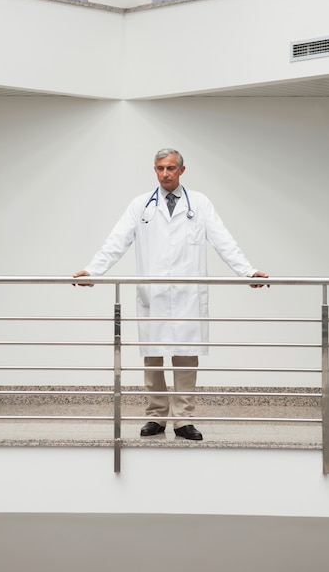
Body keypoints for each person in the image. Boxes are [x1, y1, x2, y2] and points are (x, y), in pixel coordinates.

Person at [73, 148, 268, 441]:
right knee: (153, 358)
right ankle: (156, 417)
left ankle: (183, 420)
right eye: (160, 168)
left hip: (188, 295)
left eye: (171, 168)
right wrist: (93, 271)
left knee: (186, 358)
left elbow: (223, 240)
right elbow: (116, 241)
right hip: (155, 296)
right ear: (155, 170)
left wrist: (247, 271)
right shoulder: (141, 205)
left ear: (182, 170)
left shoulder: (200, 204)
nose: (165, 173)